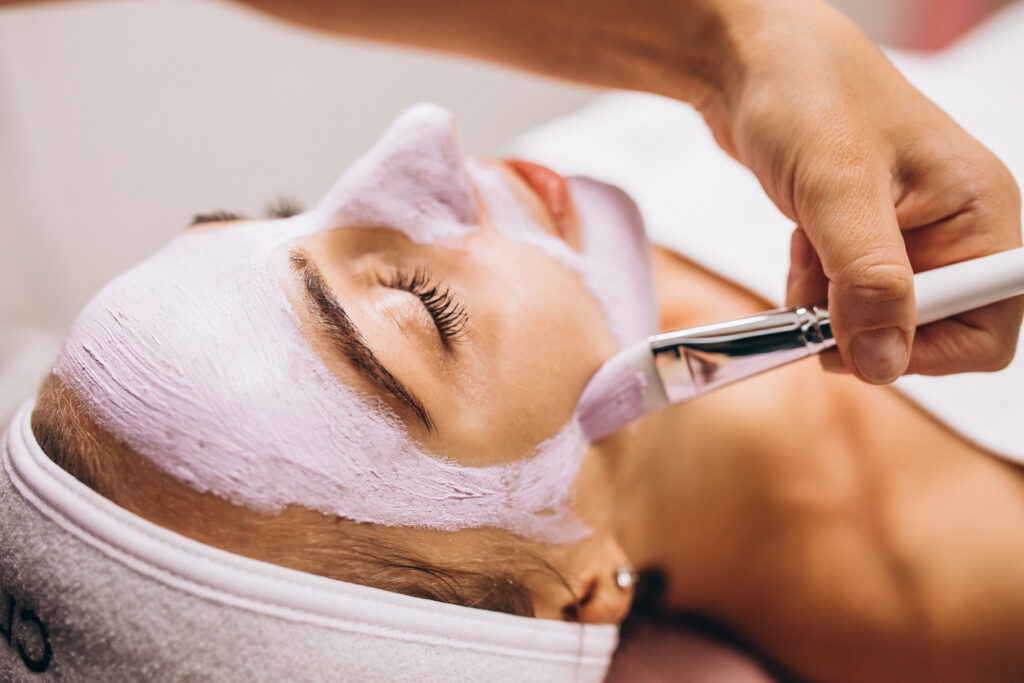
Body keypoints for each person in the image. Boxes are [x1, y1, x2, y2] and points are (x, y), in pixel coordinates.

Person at [13, 102, 1024, 683]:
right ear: (576, 587)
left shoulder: (592, 188)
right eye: (418, 306)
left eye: (285, 211)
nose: (422, 138)